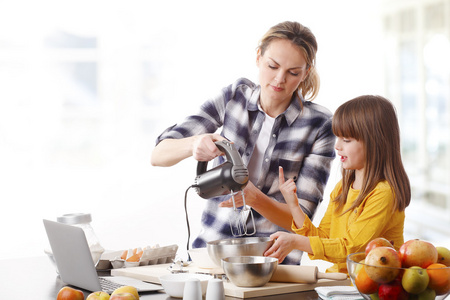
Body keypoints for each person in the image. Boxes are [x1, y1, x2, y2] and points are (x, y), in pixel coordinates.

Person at [151, 21, 336, 265]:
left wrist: (254, 197)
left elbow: (302, 218)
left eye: (293, 72)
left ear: (306, 72)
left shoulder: (320, 125)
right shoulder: (233, 97)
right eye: (273, 66)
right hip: (212, 255)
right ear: (259, 57)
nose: (280, 79)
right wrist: (194, 143)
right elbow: (158, 155)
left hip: (273, 265)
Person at [264, 95, 411, 272]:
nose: (337, 146)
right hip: (342, 286)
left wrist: (296, 241)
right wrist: (293, 204)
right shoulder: (343, 188)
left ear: (375, 142)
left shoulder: (384, 193)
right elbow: (324, 238)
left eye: (346, 140)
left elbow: (351, 249)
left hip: (370, 289)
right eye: (338, 138)